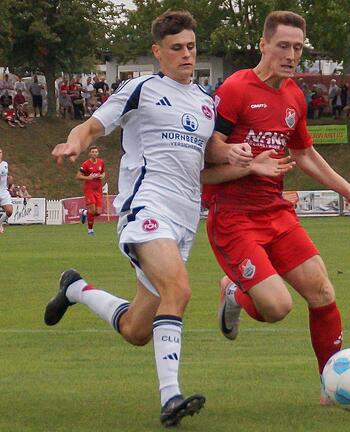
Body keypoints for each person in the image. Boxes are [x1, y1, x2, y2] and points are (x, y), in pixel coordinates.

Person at [42, 11, 284, 427]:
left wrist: (247, 163)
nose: (186, 55)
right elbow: (93, 126)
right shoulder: (141, 89)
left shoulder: (207, 103)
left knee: (138, 329)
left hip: (185, 218)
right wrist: (73, 142)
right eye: (177, 48)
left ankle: (76, 288)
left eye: (191, 47)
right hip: (146, 208)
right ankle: (170, 397)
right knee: (180, 289)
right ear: (158, 52)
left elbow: (205, 166)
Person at [200, 10, 350, 406]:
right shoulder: (235, 89)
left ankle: (330, 388)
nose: (290, 54)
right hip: (233, 218)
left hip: (275, 211)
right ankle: (234, 291)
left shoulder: (294, 97)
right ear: (263, 45)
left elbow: (304, 154)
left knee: (322, 291)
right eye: (283, 45)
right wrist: (248, 163)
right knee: (276, 307)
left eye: (298, 47)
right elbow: (204, 155)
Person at [76, 144, 105, 235]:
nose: (94, 153)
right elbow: (78, 176)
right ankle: (90, 230)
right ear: (89, 153)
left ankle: (85, 212)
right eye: (92, 152)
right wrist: (88, 178)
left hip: (98, 189)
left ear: (98, 153)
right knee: (92, 210)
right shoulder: (86, 164)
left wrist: (101, 176)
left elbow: (103, 173)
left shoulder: (101, 162)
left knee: (98, 212)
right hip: (89, 189)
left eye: (96, 152)